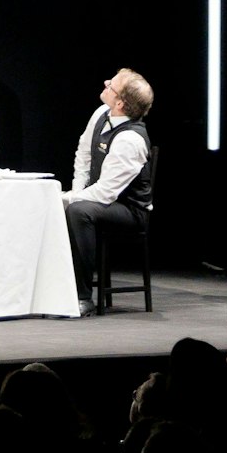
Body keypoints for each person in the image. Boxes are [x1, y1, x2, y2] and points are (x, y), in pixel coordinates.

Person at [61, 68, 155, 316]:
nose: (105, 83)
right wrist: (75, 191)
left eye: (111, 85)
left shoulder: (130, 140)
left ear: (121, 103)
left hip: (130, 210)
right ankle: (56, 289)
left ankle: (83, 298)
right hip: (102, 200)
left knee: (79, 211)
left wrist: (69, 200)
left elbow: (105, 193)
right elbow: (84, 153)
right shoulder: (102, 113)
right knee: (74, 206)